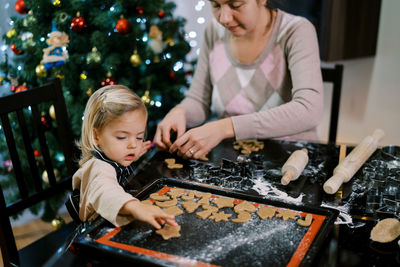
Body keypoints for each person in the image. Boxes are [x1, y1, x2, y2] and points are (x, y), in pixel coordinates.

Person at [154, 0, 323, 159]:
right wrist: (180, 112)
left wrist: (225, 127)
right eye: (216, 5)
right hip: (233, 156)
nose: (224, 18)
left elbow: (309, 110)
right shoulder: (213, 31)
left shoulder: (296, 31)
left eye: (235, 5)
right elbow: (199, 100)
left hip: (291, 155)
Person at [72, 85, 177, 229]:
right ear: (96, 136)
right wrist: (137, 207)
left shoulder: (113, 155)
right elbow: (107, 192)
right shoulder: (99, 168)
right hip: (99, 230)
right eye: (122, 137)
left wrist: (134, 157)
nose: (133, 145)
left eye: (139, 137)